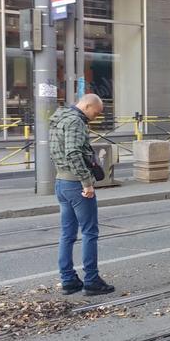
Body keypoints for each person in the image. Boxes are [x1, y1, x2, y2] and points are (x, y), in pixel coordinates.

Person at [49, 93, 115, 296]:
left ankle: (68, 279)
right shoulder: (76, 122)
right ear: (87, 105)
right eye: (96, 112)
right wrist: (86, 183)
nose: (96, 116)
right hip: (76, 184)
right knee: (89, 232)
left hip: (61, 182)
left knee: (67, 234)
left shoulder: (59, 119)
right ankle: (92, 280)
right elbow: (74, 153)